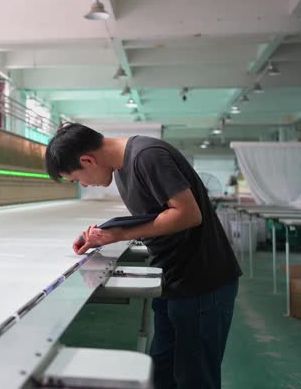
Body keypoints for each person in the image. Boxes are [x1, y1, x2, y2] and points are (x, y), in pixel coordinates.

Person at [45, 123, 242, 389]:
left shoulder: (147, 157)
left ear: (87, 159)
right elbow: (157, 216)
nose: (84, 184)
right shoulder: (123, 168)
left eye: (78, 178)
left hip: (202, 282)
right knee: (163, 372)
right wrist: (108, 231)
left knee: (194, 377)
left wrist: (122, 233)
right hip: (174, 279)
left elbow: (188, 214)